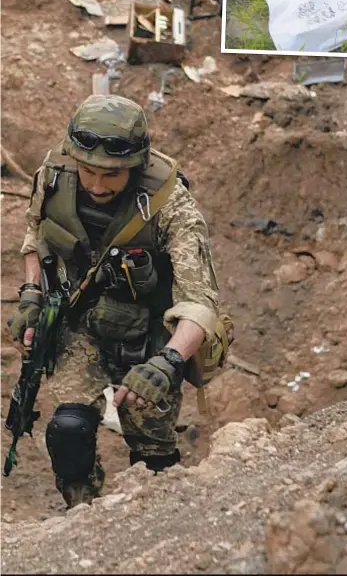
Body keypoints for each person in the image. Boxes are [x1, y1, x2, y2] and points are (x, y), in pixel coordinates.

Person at [7, 95, 231, 508]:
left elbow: (200, 302)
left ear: (136, 165)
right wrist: (32, 293)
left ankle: (157, 517)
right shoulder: (54, 176)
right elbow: (34, 236)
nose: (96, 185)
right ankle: (82, 512)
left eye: (112, 175)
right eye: (88, 170)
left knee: (153, 452)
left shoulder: (171, 204)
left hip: (149, 335)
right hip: (83, 325)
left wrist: (169, 362)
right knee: (69, 430)